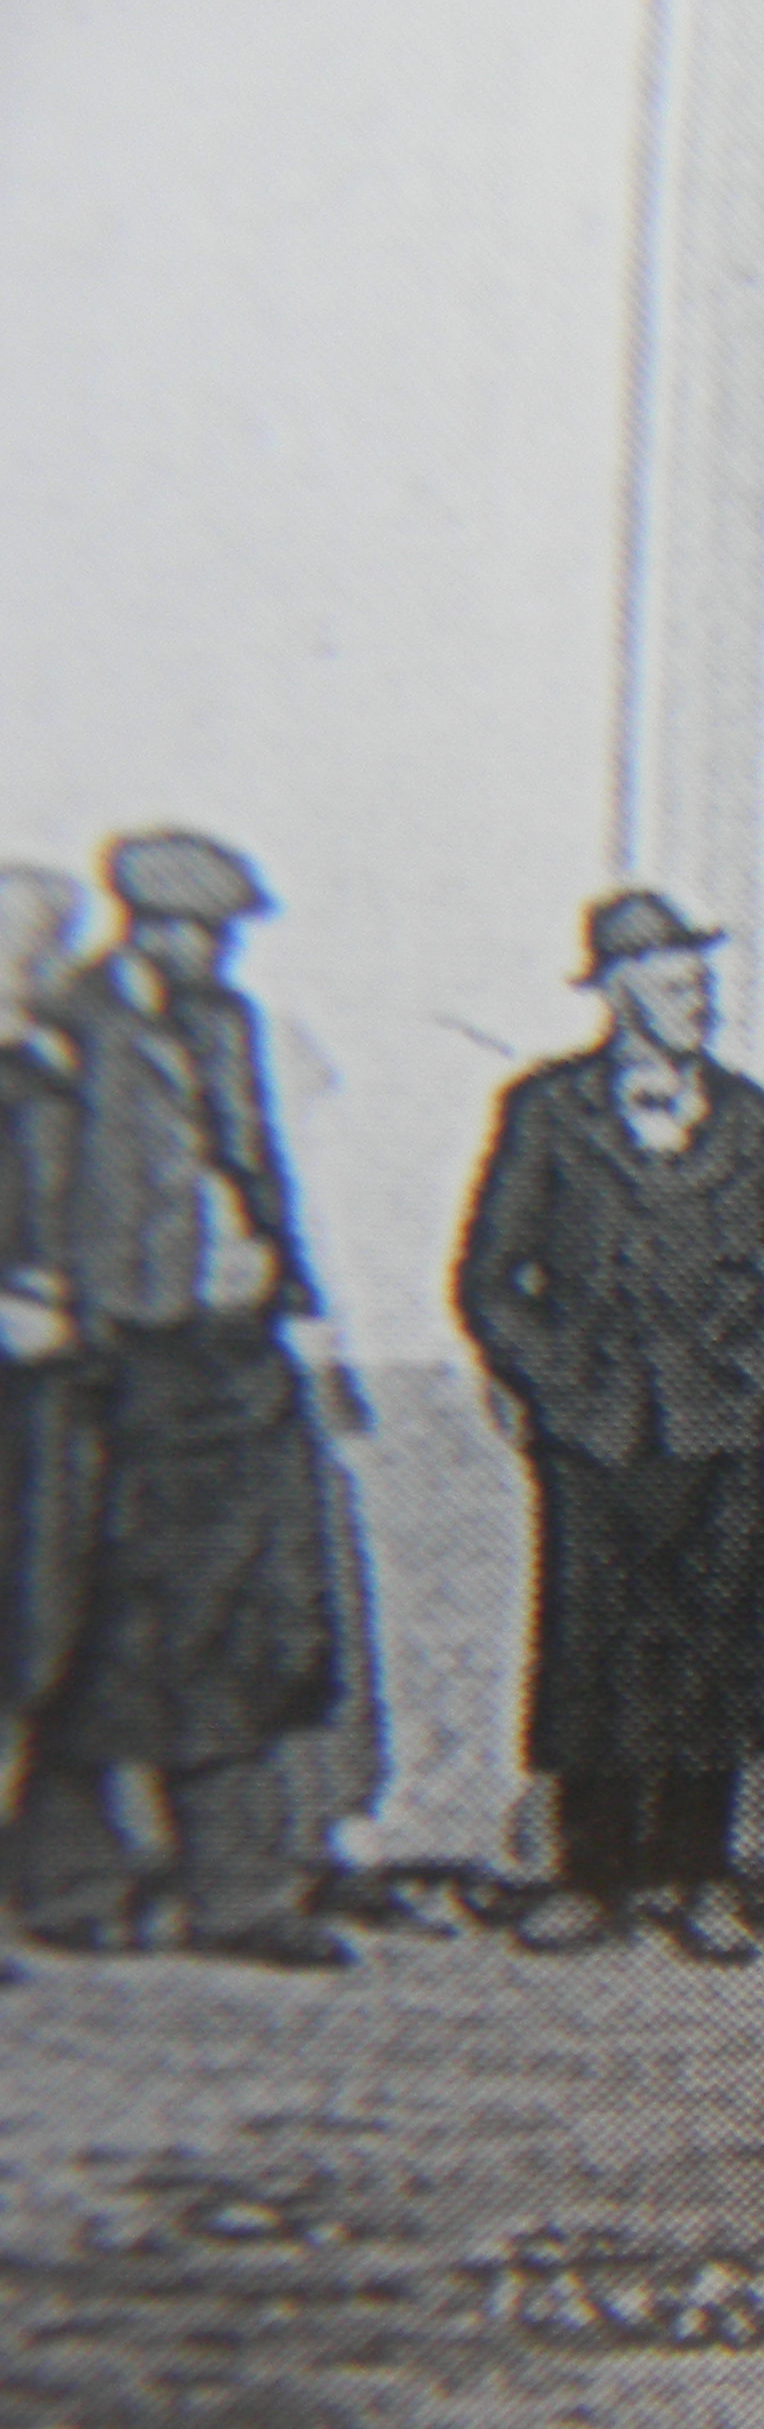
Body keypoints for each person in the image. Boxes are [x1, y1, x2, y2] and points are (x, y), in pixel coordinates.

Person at [455, 889, 764, 1962]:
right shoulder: (547, 1111)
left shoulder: (751, 1119)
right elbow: (491, 1280)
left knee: (716, 1649)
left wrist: (757, 1379)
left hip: (715, 1428)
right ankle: (591, 1876)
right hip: (598, 1428)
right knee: (592, 1648)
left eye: (702, 986)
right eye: (673, 987)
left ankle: (700, 1876)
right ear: (617, 994)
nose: (695, 1006)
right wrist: (558, 1381)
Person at [18, 831, 358, 1968]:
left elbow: (260, 1170)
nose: (211, 950)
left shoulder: (230, 1024)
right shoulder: (68, 1021)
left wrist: (300, 1307)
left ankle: (241, 1895)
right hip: (118, 1366)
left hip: (232, 1356)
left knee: (241, 1625)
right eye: (191, 929)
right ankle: (70, 1885)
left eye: (223, 931)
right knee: (98, 1624)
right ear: (139, 923)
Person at [0, 871, 97, 1885]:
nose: (23, 958)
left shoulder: (60, 1066)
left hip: (50, 1390)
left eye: (39, 940)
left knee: (33, 1629)